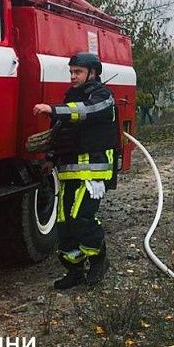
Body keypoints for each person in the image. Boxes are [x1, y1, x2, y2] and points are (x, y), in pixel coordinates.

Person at [33, 52, 117, 290]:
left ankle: (99, 262)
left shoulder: (103, 97)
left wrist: (53, 109)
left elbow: (85, 111)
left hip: (93, 172)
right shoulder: (71, 97)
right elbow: (60, 130)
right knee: (64, 222)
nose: (73, 76)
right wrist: (50, 157)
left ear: (93, 73)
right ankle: (74, 270)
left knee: (81, 219)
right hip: (68, 171)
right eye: (71, 72)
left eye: (77, 72)